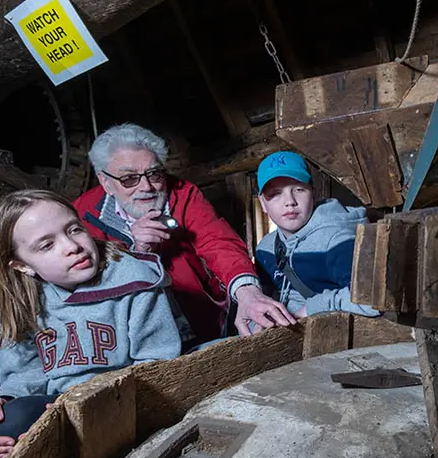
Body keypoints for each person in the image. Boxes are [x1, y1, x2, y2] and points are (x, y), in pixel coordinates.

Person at [0, 190, 182, 458]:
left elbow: (158, 368)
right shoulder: (20, 299)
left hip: (124, 404)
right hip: (55, 406)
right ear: (22, 266)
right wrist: (2, 400)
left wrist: (91, 406)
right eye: (47, 245)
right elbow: (23, 374)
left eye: (74, 229)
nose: (72, 246)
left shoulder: (136, 279)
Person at [73, 123, 294, 344]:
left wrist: (248, 293)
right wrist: (136, 254)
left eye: (154, 174)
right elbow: (85, 286)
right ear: (105, 182)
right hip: (130, 336)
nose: (147, 187)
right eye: (129, 178)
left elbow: (217, 242)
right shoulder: (81, 215)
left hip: (198, 318)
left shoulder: (182, 193)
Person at [254, 151, 379, 318]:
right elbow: (262, 300)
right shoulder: (265, 249)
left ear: (313, 192)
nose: (290, 201)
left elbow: (371, 302)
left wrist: (312, 309)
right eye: (275, 194)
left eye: (299, 189)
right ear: (262, 203)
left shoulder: (336, 239)